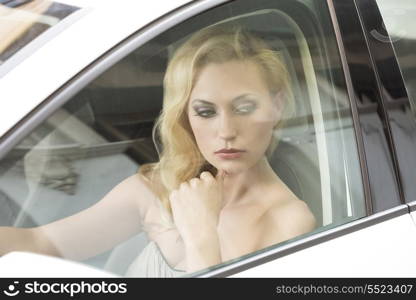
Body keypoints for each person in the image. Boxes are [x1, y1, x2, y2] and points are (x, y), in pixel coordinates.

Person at [0, 23, 316, 277]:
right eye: (206, 112)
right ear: (186, 116)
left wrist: (201, 236)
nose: (226, 131)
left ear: (277, 105)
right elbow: (38, 243)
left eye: (244, 107)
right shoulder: (161, 187)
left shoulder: (290, 222)